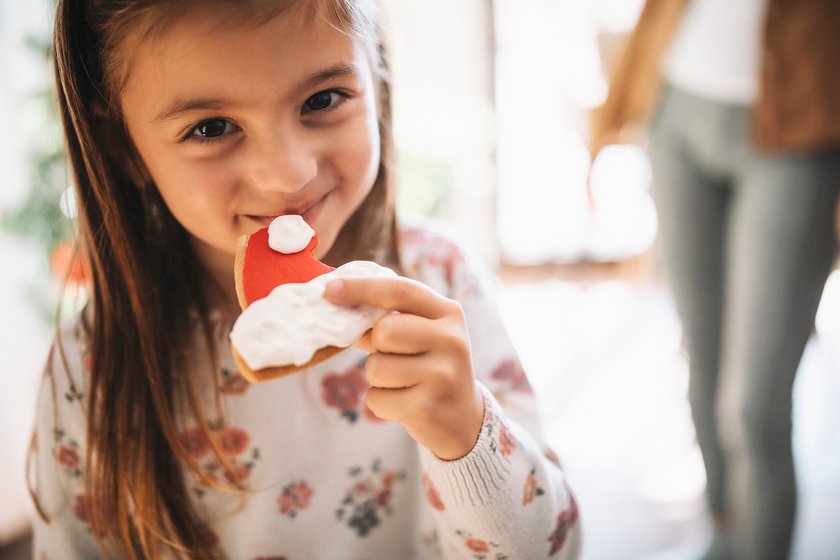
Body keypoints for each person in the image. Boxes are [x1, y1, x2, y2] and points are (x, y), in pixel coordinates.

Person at [27, 0, 581, 558]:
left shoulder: (439, 281)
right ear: (124, 146)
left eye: (323, 99)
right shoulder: (92, 365)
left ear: (377, 75)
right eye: (211, 128)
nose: (289, 173)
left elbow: (555, 548)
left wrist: (466, 437)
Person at [592, 1, 840, 559]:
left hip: (801, 123)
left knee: (755, 406)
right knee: (701, 365)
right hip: (677, 102)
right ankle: (725, 535)